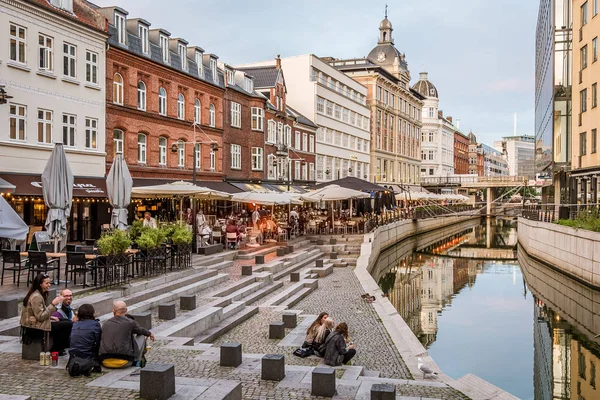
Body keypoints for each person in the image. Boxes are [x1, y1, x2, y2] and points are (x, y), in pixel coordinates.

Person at [99, 301, 155, 368]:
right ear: (126, 310)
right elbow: (141, 330)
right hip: (124, 361)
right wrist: (149, 333)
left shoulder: (106, 324)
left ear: (113, 310)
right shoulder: (130, 322)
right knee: (141, 336)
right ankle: (137, 362)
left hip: (105, 361)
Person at [20, 273, 64, 351]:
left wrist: (51, 316)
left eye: (49, 283)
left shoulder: (40, 294)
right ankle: (56, 349)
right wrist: (53, 304)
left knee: (64, 321)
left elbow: (39, 312)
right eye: (47, 283)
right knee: (66, 325)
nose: (49, 285)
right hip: (34, 326)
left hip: (36, 322)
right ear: (40, 284)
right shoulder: (36, 296)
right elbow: (40, 317)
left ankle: (60, 348)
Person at [50, 288, 74, 355]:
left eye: (70, 295)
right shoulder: (56, 312)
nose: (69, 297)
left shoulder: (69, 309)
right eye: (66, 296)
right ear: (60, 297)